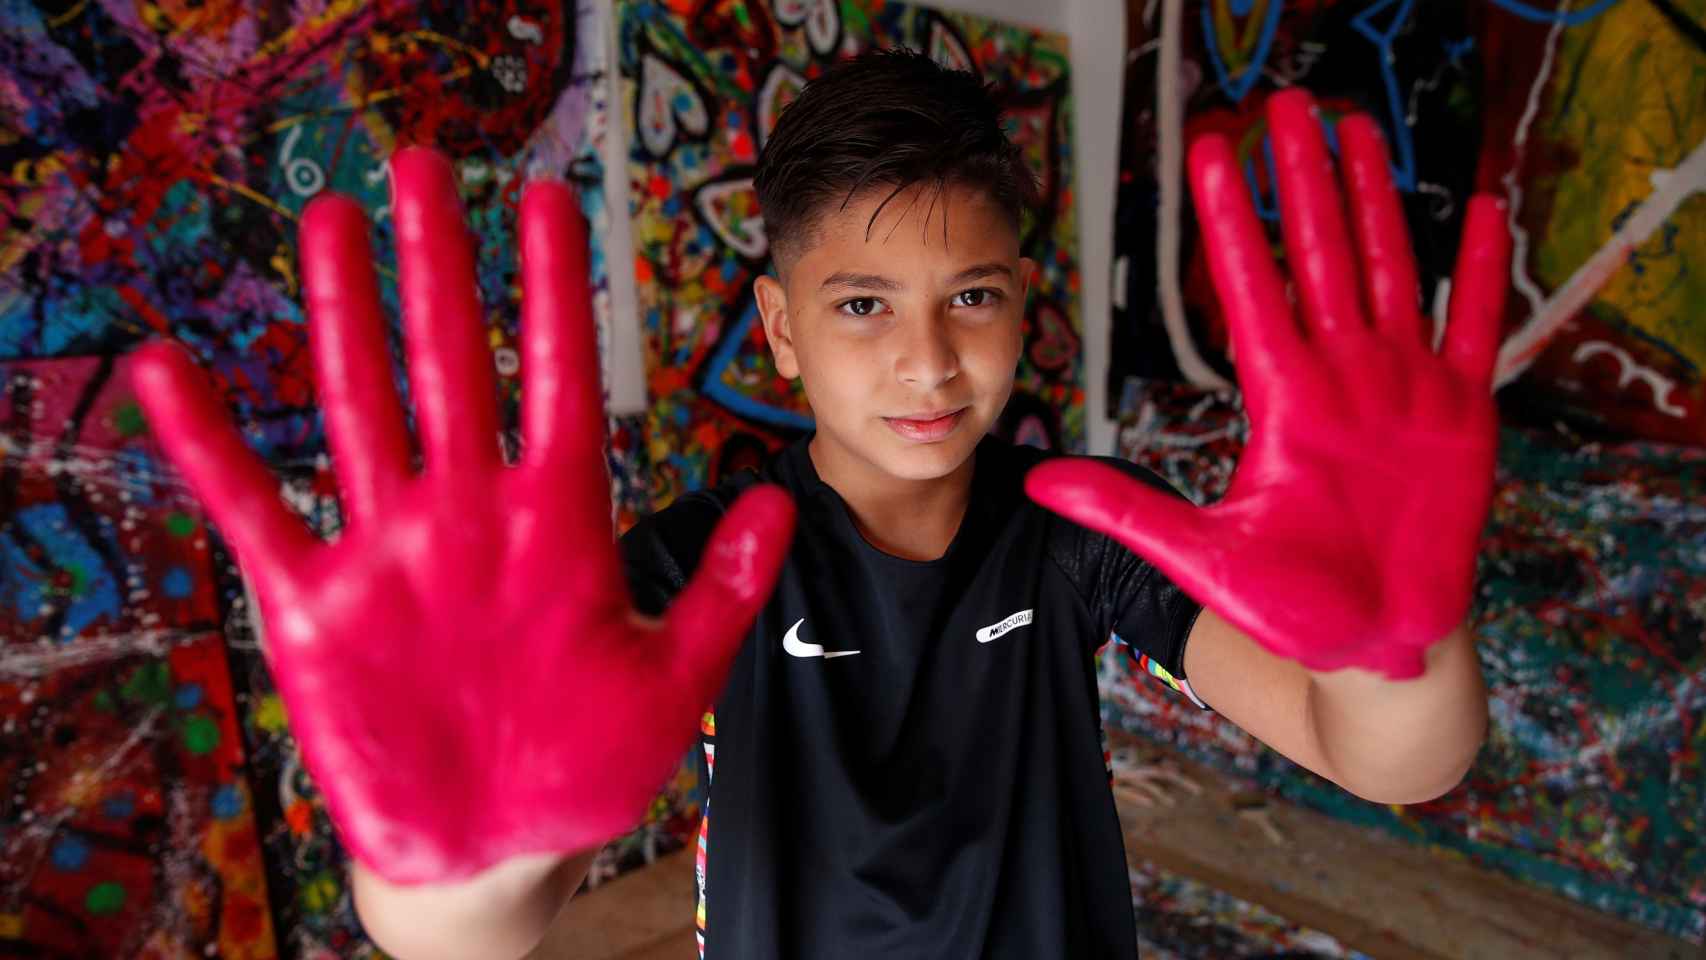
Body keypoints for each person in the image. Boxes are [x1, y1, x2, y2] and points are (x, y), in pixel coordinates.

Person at [130, 49, 1510, 960]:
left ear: (1023, 310)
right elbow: (467, 930)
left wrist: (1398, 641)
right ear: (779, 331)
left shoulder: (1086, 528)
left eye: (969, 297)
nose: (926, 359)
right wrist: (460, 855)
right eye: (863, 307)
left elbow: (1389, 758)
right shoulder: (699, 564)